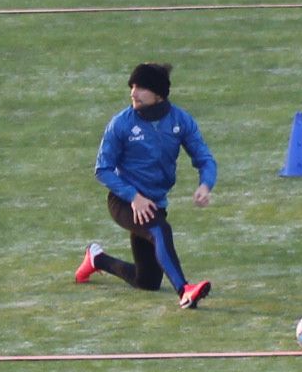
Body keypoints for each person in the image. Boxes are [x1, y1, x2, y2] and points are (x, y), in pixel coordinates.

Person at [79, 62, 216, 309]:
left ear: (158, 94)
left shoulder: (181, 121)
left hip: (154, 203)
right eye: (132, 86)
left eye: (141, 87)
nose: (133, 92)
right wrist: (133, 197)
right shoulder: (121, 123)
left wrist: (205, 185)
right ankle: (185, 291)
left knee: (148, 281)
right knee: (160, 230)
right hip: (124, 201)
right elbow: (103, 169)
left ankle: (97, 259)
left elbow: (204, 158)